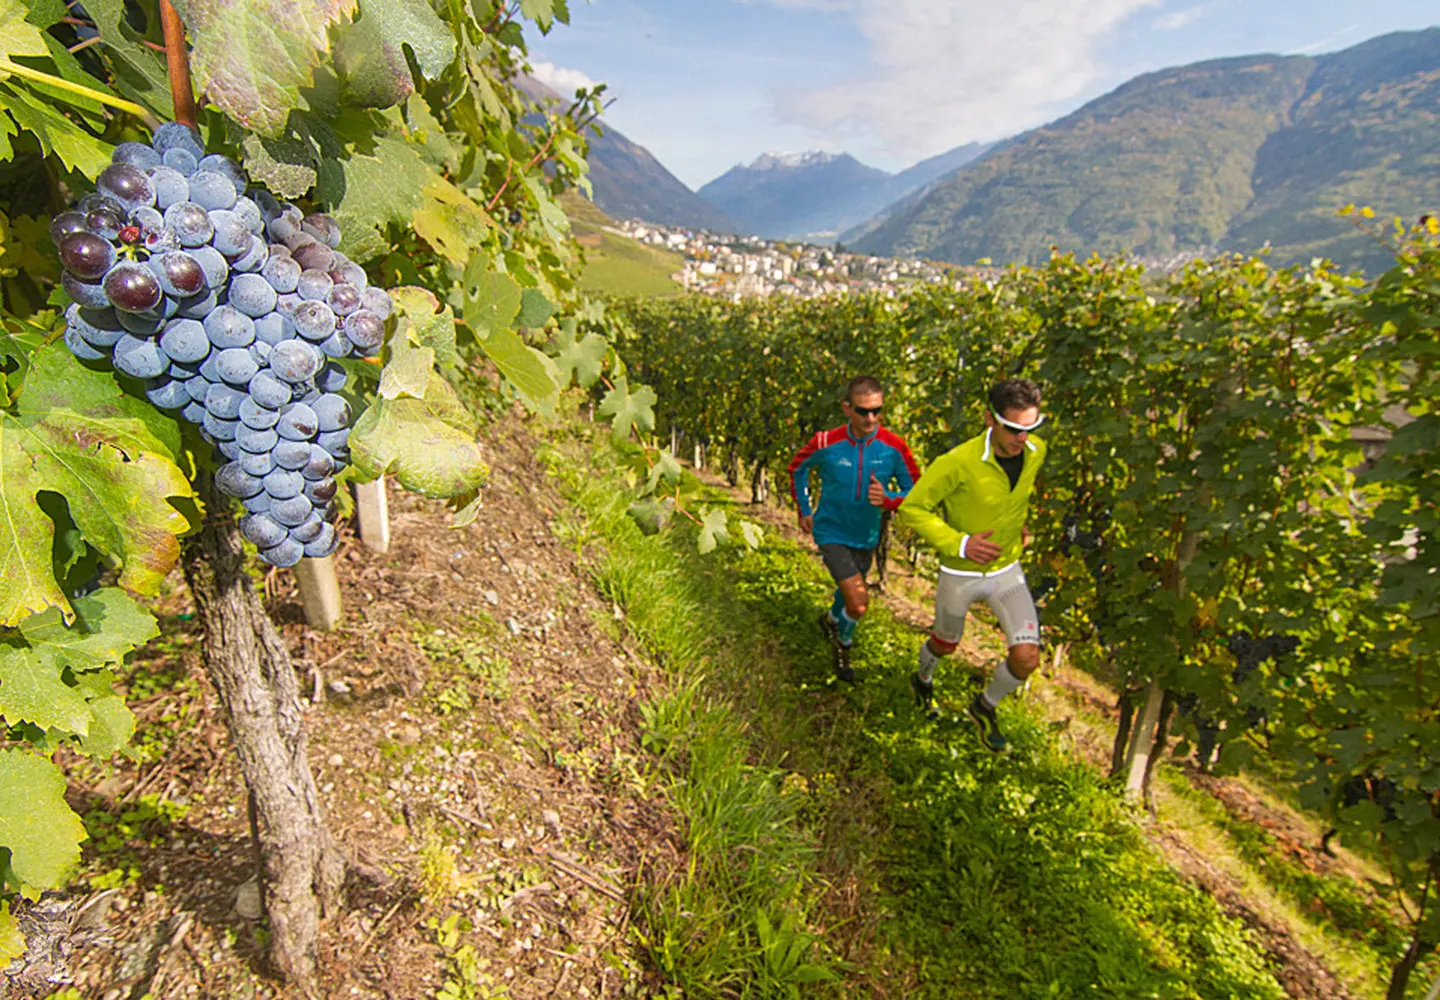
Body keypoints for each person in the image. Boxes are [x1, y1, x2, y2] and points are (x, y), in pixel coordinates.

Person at [896, 378, 1047, 752]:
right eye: (1013, 428)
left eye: (1030, 428)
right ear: (989, 419)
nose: (1022, 438)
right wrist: (962, 543)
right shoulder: (957, 463)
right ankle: (923, 678)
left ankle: (984, 706)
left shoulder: (1036, 450)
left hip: (1007, 571)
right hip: (960, 573)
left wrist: (1018, 522)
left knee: (1027, 658)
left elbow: (1016, 494)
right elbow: (912, 510)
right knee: (945, 644)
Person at [787, 375, 921, 682]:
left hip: (867, 535)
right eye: (863, 411)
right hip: (831, 531)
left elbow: (914, 489)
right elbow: (798, 468)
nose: (871, 418)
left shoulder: (894, 447)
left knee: (848, 596)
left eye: (877, 411)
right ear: (847, 408)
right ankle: (843, 644)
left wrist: (889, 500)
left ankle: (832, 620)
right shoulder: (825, 442)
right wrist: (804, 509)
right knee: (859, 603)